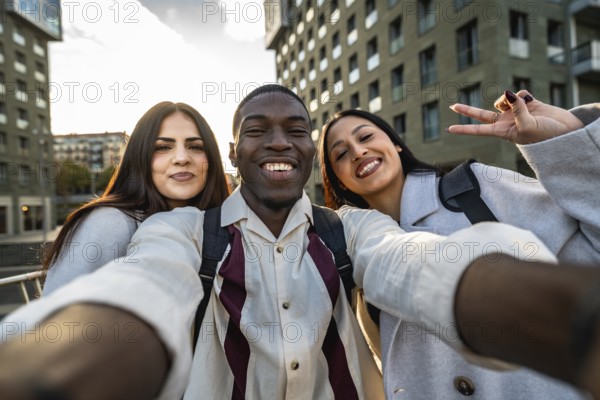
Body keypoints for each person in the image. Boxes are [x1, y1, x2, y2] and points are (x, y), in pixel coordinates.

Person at [0, 85, 596, 400]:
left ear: (311, 155)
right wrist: (59, 362)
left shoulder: (353, 229)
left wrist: (561, 315)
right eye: (256, 131)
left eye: (298, 131)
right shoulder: (177, 230)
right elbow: (147, 285)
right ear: (233, 154)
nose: (278, 142)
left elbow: (415, 264)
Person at [319, 91, 600, 399]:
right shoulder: (349, 248)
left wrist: (566, 142)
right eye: (341, 154)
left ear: (396, 144)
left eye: (366, 136)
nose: (358, 151)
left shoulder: (475, 187)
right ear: (341, 181)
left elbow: (591, 245)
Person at [42, 101, 229, 294]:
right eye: (163, 147)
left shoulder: (224, 223)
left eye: (196, 146)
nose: (182, 158)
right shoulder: (110, 222)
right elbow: (59, 316)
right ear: (140, 157)